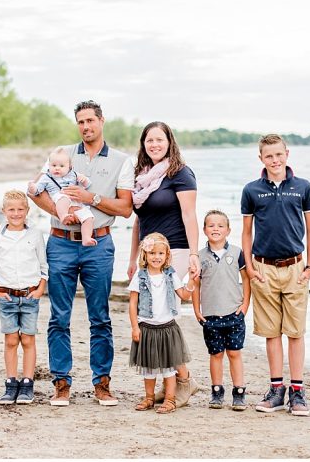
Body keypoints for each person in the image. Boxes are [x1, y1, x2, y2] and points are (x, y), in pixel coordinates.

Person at [28, 100, 134, 407]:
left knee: (100, 317)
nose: (85, 126)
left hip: (98, 244)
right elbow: (36, 192)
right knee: (59, 316)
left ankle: (102, 383)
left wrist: (92, 198)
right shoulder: (61, 155)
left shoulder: (120, 161)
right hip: (60, 243)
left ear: (101, 121)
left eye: (90, 120)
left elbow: (126, 209)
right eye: (80, 122)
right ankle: (61, 382)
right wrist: (62, 214)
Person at [241, 134, 310, 416]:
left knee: (295, 332)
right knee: (271, 332)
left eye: (278, 155)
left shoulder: (303, 187)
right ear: (261, 158)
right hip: (263, 269)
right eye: (268, 156)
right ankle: (276, 390)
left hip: (296, 269)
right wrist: (249, 267)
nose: (274, 161)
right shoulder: (251, 191)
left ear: (287, 154)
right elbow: (247, 232)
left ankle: (297, 392)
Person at [126, 120, 201, 406]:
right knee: (152, 317)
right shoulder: (141, 175)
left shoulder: (180, 173)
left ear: (169, 141)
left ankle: (182, 380)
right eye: (149, 141)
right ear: (143, 145)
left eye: (159, 139)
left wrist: (194, 254)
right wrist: (133, 258)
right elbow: (139, 221)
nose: (154, 145)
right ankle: (180, 378)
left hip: (175, 252)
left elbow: (190, 216)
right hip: (148, 255)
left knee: (165, 317)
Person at [0, 190, 47, 405]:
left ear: (27, 210)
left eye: (20, 209)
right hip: (7, 297)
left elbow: (43, 265)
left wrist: (40, 288)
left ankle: (27, 383)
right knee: (11, 339)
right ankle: (11, 383)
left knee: (28, 339)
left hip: (30, 295)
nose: (16, 213)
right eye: (11, 210)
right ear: (4, 211)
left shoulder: (35, 234)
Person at [129, 233, 196, 414]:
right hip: (147, 328)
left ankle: (170, 399)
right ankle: (149, 398)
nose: (156, 257)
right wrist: (135, 327)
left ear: (167, 255)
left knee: (168, 367)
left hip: (167, 328)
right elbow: (133, 303)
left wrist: (191, 280)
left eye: (160, 253)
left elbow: (184, 295)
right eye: (152, 253)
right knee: (148, 368)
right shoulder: (140, 276)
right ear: (145, 255)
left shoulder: (170, 275)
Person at [191, 209, 251, 411]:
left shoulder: (237, 253)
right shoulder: (199, 256)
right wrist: (197, 309)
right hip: (210, 315)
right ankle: (217, 392)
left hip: (234, 313)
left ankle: (239, 392)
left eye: (220, 225)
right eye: (211, 225)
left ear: (228, 230)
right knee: (215, 354)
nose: (215, 229)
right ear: (204, 229)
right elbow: (196, 284)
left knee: (234, 353)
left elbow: (246, 280)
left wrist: (244, 306)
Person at [27, 147, 96, 246]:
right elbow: (37, 190)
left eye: (62, 166)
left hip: (76, 201)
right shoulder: (46, 178)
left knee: (89, 217)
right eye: (53, 165)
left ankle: (86, 238)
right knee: (63, 199)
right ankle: (63, 216)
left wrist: (83, 179)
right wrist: (32, 187)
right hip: (59, 196)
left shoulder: (74, 174)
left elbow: (87, 185)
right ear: (49, 165)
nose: (57, 168)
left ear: (69, 167)